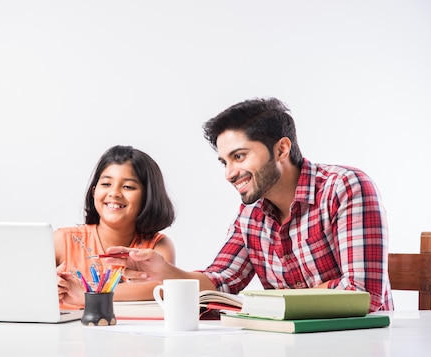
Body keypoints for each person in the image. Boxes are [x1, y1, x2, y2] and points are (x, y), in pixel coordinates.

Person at [105, 97, 394, 312]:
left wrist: (265, 301)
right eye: (224, 162)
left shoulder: (344, 187)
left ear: (281, 149)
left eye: (239, 156)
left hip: (359, 343)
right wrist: (166, 272)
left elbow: (363, 294)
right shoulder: (251, 215)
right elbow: (221, 281)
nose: (229, 173)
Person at [55, 145, 176, 308]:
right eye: (106, 184)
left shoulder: (157, 245)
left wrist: (87, 294)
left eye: (127, 187)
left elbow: (162, 287)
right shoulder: (62, 240)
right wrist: (48, 285)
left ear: (147, 197)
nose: (114, 193)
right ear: (93, 191)